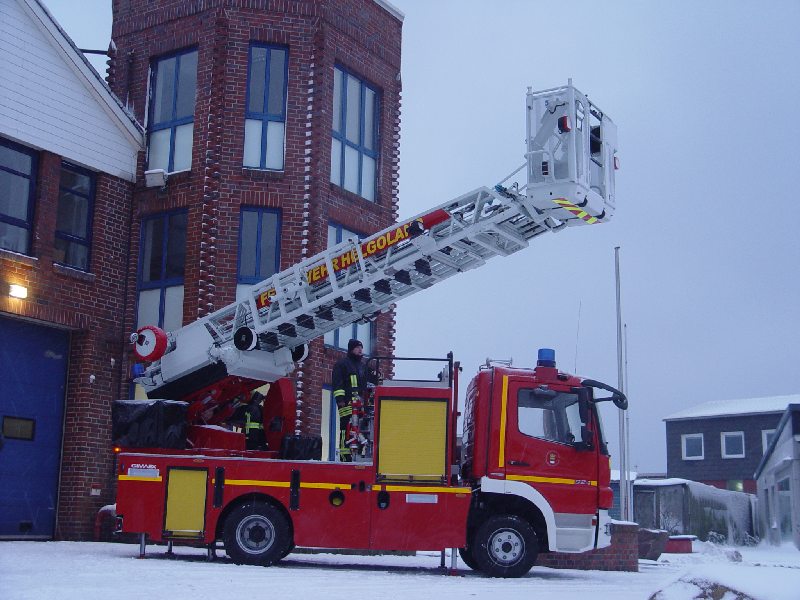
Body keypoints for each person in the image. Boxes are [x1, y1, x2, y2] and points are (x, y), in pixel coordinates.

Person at [331, 339, 368, 462]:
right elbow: (337, 384)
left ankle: (358, 454)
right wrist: (340, 401)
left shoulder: (362, 366)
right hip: (346, 404)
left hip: (360, 406)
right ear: (351, 349)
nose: (360, 349)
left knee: (360, 430)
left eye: (361, 347)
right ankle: (344, 456)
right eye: (357, 347)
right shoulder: (342, 364)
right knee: (345, 429)